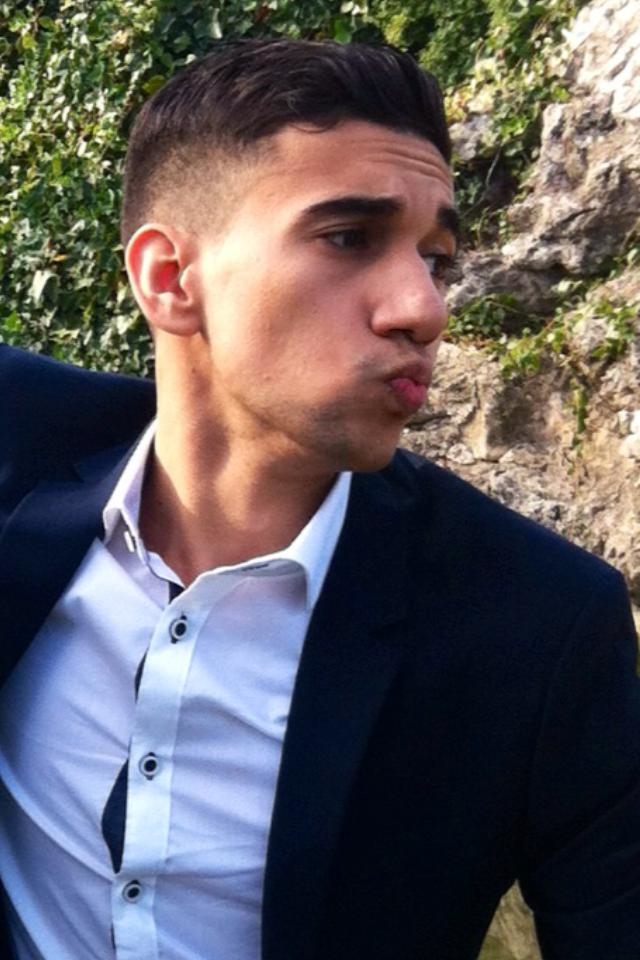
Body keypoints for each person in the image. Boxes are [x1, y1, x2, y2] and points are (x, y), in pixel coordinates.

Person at [0, 37, 638, 960]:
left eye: (437, 259)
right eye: (349, 238)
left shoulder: (537, 624)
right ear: (170, 280)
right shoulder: (22, 444)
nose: (424, 308)